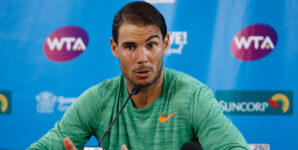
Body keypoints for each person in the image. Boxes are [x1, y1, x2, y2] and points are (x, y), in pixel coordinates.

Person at [28, 1, 249, 150]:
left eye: (151, 44)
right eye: (131, 47)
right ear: (114, 48)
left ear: (166, 44)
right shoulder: (98, 99)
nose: (142, 57)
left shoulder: (193, 96)